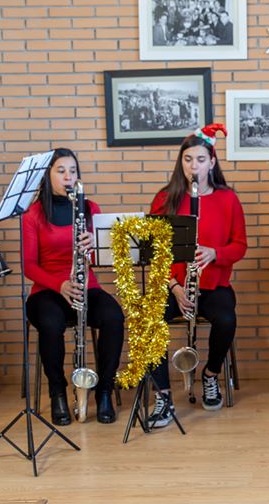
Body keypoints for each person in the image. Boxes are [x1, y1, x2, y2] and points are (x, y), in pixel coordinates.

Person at [147, 125, 247, 427]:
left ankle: (211, 375)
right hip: (175, 285)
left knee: (226, 319)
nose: (194, 166)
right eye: (188, 159)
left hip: (213, 285)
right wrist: (175, 287)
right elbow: (155, 251)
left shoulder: (228, 199)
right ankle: (163, 395)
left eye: (201, 160)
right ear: (181, 162)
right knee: (150, 318)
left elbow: (240, 246)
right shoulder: (164, 199)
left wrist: (215, 253)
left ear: (212, 162)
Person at [22, 148, 125, 425]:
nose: (68, 177)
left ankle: (104, 390)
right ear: (48, 175)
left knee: (114, 317)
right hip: (48, 291)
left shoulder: (90, 208)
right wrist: (60, 284)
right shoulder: (33, 214)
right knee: (51, 324)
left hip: (86, 286)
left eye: (73, 171)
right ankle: (58, 392)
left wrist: (94, 246)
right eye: (61, 171)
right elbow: (28, 266)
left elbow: (101, 259)